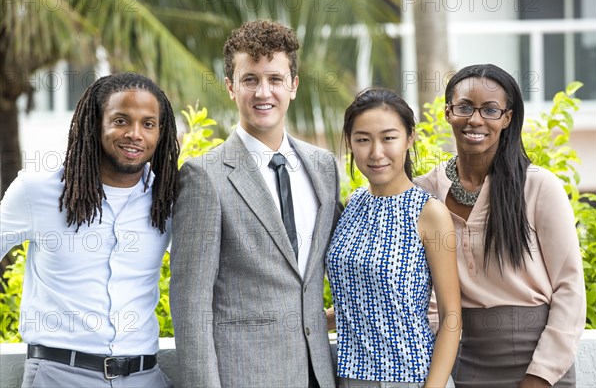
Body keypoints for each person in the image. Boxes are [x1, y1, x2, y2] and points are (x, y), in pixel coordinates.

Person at [170, 19, 341, 388]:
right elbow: (191, 304)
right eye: (251, 80)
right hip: (245, 376)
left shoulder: (323, 166)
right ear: (231, 87)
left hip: (318, 374)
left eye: (275, 79)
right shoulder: (205, 176)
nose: (264, 92)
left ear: (293, 86)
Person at [0, 72, 179, 387]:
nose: (135, 134)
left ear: (161, 133)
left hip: (144, 377)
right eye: (121, 120)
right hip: (57, 376)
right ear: (95, 123)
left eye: (148, 124)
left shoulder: (168, 201)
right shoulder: (36, 191)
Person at [414, 64, 586, 388]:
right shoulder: (424, 192)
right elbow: (421, 286)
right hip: (469, 362)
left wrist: (540, 375)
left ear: (507, 118)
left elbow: (570, 287)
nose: (475, 120)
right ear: (448, 112)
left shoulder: (538, 187)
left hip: (540, 362)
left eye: (490, 110)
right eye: (465, 107)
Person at [326, 88, 461, 388]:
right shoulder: (353, 204)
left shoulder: (429, 213)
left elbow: (452, 316)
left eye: (388, 138)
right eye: (363, 139)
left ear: (409, 138)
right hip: (349, 377)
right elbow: (365, 296)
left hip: (410, 378)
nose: (376, 152)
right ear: (350, 142)